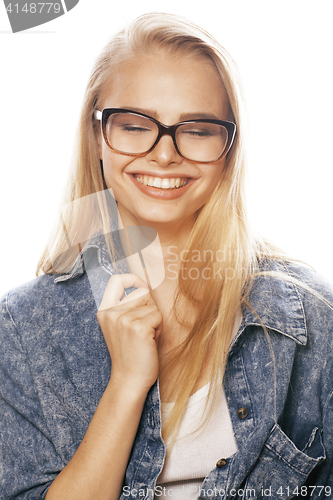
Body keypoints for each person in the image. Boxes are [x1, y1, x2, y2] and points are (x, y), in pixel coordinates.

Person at [0, 12, 332, 500]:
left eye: (197, 130)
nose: (163, 154)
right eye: (135, 125)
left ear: (229, 148)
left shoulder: (313, 318)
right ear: (97, 135)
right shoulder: (22, 332)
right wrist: (127, 383)